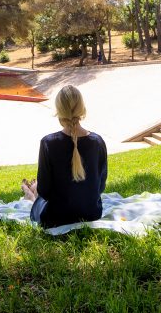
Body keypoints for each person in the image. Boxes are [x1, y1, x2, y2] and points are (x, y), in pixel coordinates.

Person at [21, 85, 108, 228]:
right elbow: (100, 186)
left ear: (59, 111)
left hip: (56, 217)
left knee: (38, 197)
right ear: (82, 109)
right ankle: (29, 190)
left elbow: (44, 191)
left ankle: (28, 193)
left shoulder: (48, 143)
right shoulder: (98, 142)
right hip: (92, 213)